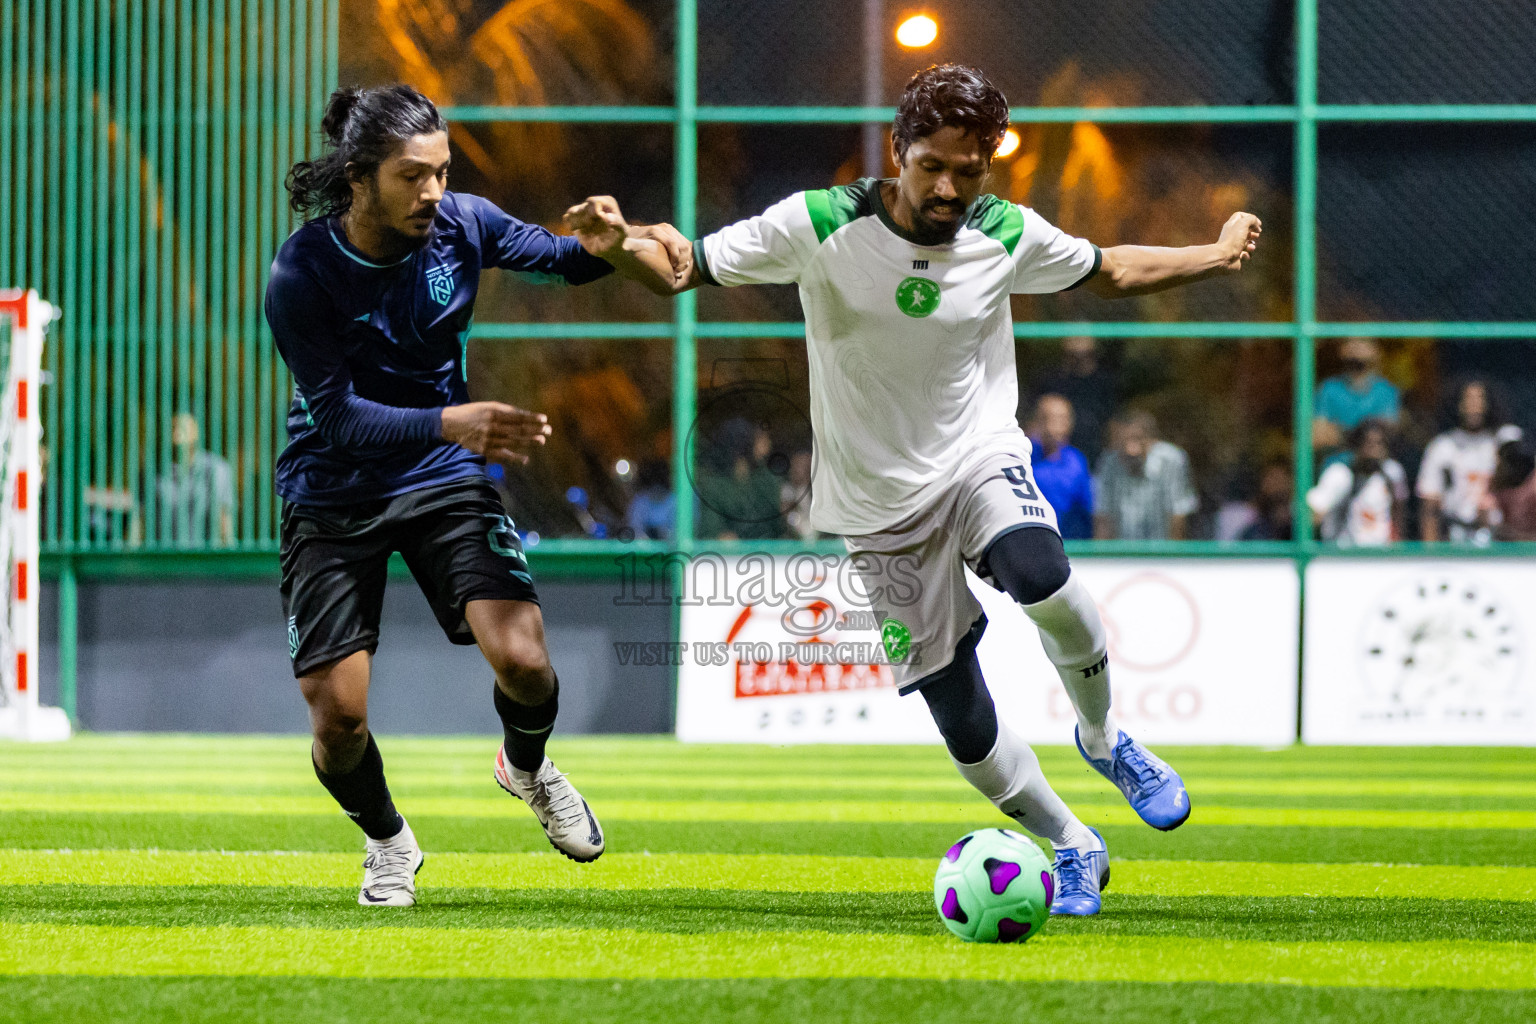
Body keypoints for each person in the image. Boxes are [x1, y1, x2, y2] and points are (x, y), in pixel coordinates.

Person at [648, 64, 1263, 915]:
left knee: (1038, 569)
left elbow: (1111, 269)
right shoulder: (818, 222)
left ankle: (1105, 736)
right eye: (930, 165)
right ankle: (1073, 842)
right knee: (961, 715)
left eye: (967, 171)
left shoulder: (1004, 233)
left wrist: (1215, 254)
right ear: (898, 151)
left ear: (989, 165)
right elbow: (687, 265)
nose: (947, 186)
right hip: (875, 506)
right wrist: (617, 244)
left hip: (976, 456)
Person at [267, 84, 689, 907]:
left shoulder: (466, 223)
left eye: (442, 171)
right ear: (360, 178)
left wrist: (621, 237)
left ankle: (524, 768)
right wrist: (451, 421)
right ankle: (389, 841)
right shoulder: (301, 270)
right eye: (412, 176)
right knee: (339, 720)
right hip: (333, 488)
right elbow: (340, 418)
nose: (434, 192)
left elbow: (574, 258)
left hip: (440, 475)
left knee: (527, 665)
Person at [1417, 379, 1514, 544]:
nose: (1474, 406)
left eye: (1479, 399)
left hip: (1501, 540)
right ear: (1457, 404)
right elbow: (1430, 507)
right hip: (1456, 538)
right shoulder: (1442, 447)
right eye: (1468, 400)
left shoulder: (1503, 442)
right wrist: (1431, 551)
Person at [1093, 410, 1199, 540]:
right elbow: (1103, 519)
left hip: (1162, 552)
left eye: (1137, 439)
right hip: (1121, 555)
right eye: (1123, 441)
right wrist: (1102, 558)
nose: (1130, 450)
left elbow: (1178, 516)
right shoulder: (1108, 463)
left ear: (1151, 440)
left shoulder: (1172, 460)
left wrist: (1172, 557)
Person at [1306, 419, 1407, 546]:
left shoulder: (1392, 474)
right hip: (1345, 557)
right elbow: (1313, 514)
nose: (1374, 452)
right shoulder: (1340, 476)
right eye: (1369, 444)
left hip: (1380, 557)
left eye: (1379, 444)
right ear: (1357, 446)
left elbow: (1398, 511)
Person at [1029, 336, 1117, 462]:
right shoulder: (1052, 381)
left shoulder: (1104, 382)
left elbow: (1111, 423)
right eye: (1073, 355)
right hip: (1047, 455)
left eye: (1085, 355)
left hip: (1094, 453)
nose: (1079, 360)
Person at [157, 413, 236, 547]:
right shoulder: (155, 472)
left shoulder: (217, 469)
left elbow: (224, 521)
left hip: (206, 561)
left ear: (197, 431)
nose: (176, 432)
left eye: (182, 427)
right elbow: (141, 521)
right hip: (164, 561)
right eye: (173, 427)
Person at [1313, 337, 1400, 452]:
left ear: (1375, 350)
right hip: (1338, 464)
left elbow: (1385, 436)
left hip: (1374, 465)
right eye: (1349, 341)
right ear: (1341, 350)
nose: (1355, 347)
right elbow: (1317, 437)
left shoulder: (1386, 391)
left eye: (1363, 341)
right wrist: (1362, 432)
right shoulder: (1329, 389)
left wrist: (1341, 433)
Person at [1026, 394, 1093, 540]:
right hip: (1029, 543)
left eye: (1063, 419)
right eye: (1049, 419)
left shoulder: (1077, 462)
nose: (1056, 426)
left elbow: (1088, 511)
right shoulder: (1023, 458)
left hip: (1069, 547)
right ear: (1037, 421)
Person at [1487, 439, 1536, 541]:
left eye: (1501, 462)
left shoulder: (1532, 491)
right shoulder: (1500, 487)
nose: (1497, 467)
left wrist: (1518, 537)